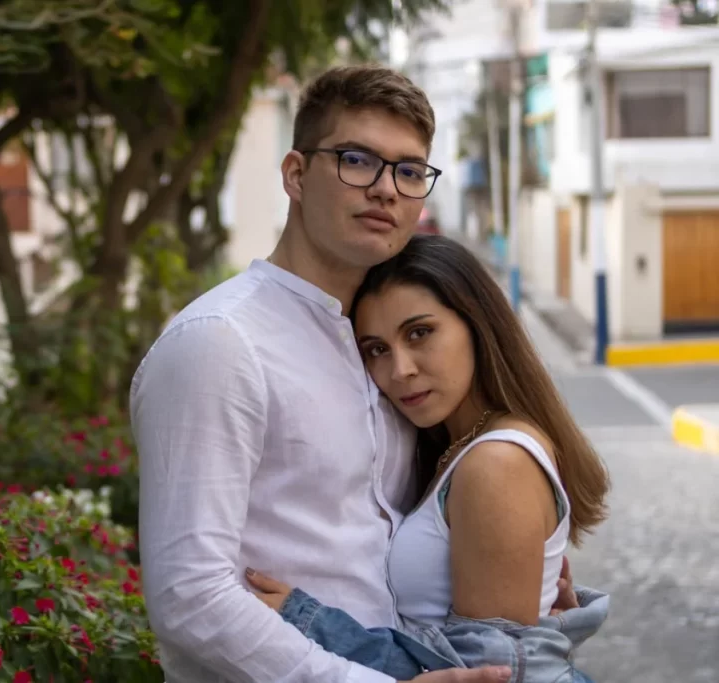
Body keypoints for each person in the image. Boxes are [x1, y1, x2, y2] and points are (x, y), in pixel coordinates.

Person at [130, 64, 577, 683]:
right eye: (357, 161)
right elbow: (190, 595)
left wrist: (520, 567)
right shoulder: (220, 342)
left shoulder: (377, 348)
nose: (386, 189)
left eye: (409, 171)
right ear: (295, 174)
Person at [244, 234, 611, 682]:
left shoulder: (496, 462)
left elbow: (486, 673)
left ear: (476, 324)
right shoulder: (455, 447)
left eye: (419, 333)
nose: (400, 370)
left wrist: (313, 623)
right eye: (377, 349)